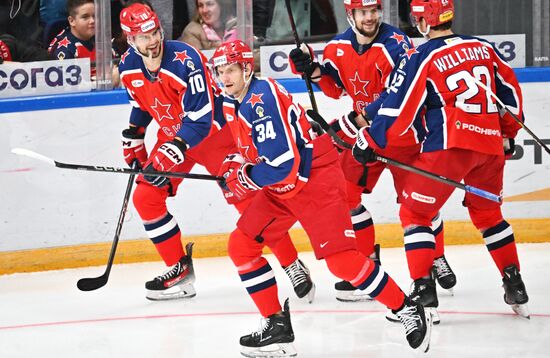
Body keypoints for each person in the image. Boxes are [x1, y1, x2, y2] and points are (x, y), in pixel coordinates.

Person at [211, 39, 432, 356]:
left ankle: (406, 307)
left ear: (247, 68)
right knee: (241, 246)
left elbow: (281, 166)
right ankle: (276, 326)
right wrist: (236, 164)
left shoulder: (260, 102)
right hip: (284, 185)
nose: (225, 77)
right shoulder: (236, 101)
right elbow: (258, 154)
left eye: (231, 70)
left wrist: (244, 177)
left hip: (313, 179)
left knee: (343, 264)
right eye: (220, 71)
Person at [117, 3, 314, 302]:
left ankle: (291, 264)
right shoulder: (128, 66)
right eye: (143, 37)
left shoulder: (185, 58)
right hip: (174, 138)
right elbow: (142, 102)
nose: (153, 40)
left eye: (155, 32)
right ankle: (179, 270)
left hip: (213, 135)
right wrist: (134, 134)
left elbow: (201, 116)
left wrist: (175, 148)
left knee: (249, 206)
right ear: (131, 40)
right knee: (145, 196)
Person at [352, 0, 529, 319]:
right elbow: (510, 93)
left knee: (416, 213)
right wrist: (509, 130)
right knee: (489, 214)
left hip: (450, 146)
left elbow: (402, 108)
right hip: (489, 146)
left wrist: (371, 138)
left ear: (422, 21)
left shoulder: (423, 55)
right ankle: (514, 282)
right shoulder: (482, 47)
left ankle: (423, 291)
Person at [289, 0, 456, 306]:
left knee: (419, 205)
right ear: (350, 14)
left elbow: (399, 95)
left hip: (403, 136)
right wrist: (311, 70)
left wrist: (357, 121)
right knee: (347, 196)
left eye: (375, 11)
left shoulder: (396, 44)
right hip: (365, 137)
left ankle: (436, 257)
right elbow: (335, 88)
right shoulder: (337, 46)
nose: (370, 17)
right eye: (363, 12)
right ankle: (367, 261)